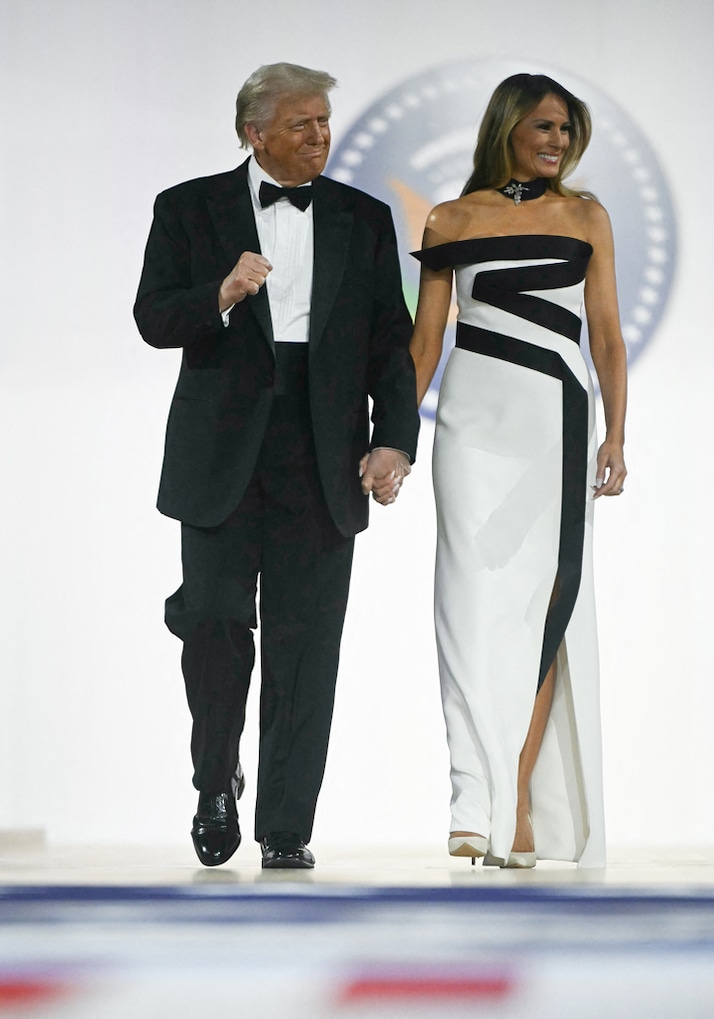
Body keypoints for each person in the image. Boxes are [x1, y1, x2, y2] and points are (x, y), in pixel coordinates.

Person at [134, 63, 419, 869]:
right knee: (215, 618)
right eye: (302, 124)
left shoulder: (363, 218)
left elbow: (386, 338)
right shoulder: (188, 207)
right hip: (221, 446)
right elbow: (154, 317)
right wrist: (220, 293)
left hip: (324, 446)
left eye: (325, 122)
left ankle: (286, 825)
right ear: (253, 133)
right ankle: (215, 775)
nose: (320, 137)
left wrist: (394, 436)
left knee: (306, 638)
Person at [410, 73, 627, 869]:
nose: (557, 141)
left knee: (542, 615)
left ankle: (515, 800)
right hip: (470, 430)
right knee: (466, 609)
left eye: (567, 130)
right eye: (544, 126)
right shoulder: (450, 220)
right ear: (507, 125)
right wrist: (395, 435)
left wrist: (618, 434)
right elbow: (425, 346)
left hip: (558, 432)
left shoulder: (587, 215)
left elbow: (605, 332)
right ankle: (475, 797)